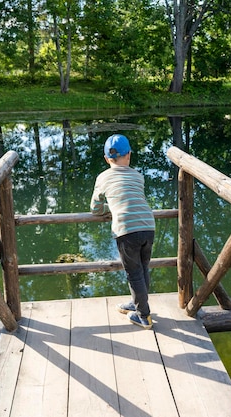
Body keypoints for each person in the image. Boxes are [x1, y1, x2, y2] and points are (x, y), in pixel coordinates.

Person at [90, 134, 156, 329]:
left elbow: (95, 209)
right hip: (148, 226)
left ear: (106, 159)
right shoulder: (138, 175)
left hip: (127, 230)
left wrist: (108, 209)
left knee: (134, 273)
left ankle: (143, 316)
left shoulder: (103, 177)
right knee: (143, 269)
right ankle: (137, 303)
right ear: (129, 155)